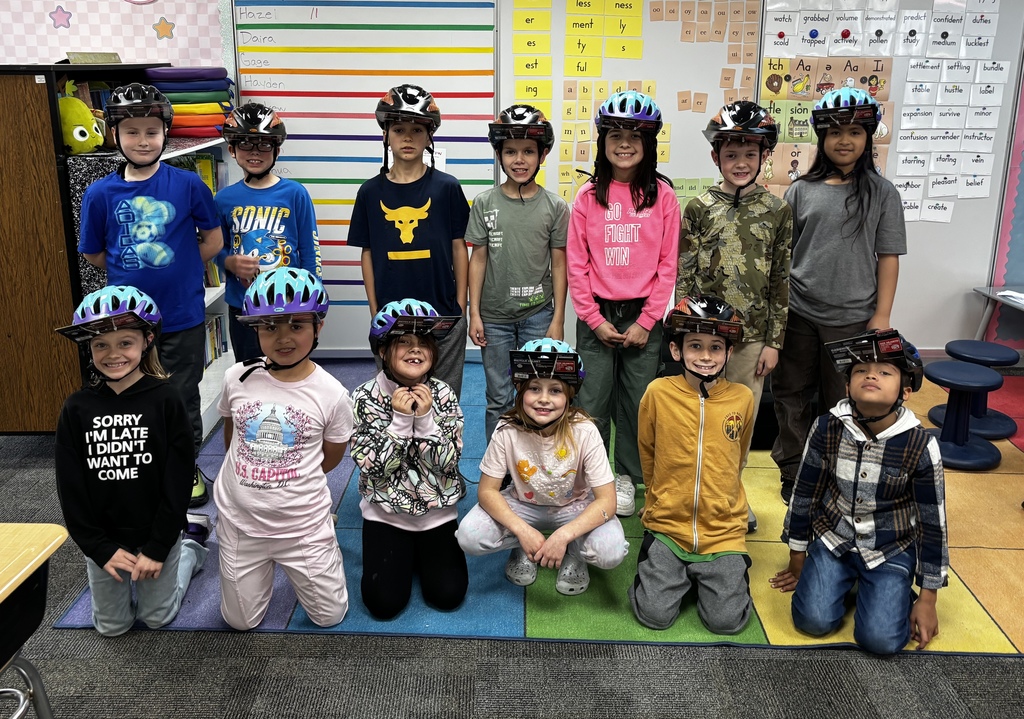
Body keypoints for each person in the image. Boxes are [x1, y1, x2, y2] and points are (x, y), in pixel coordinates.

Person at [79, 83, 224, 508]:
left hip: (182, 314)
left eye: (151, 131)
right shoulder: (99, 193)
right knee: (131, 392)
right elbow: (93, 252)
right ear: (115, 135)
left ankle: (185, 466)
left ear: (165, 133)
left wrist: (179, 265)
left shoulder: (188, 184)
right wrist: (130, 270)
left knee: (181, 395)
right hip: (127, 321)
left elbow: (212, 241)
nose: (143, 141)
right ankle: (145, 471)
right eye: (132, 132)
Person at [769, 330, 947, 654]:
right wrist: (797, 557)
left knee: (881, 641)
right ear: (848, 385)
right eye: (861, 370)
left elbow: (932, 523)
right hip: (834, 539)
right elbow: (805, 492)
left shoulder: (921, 445)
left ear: (905, 391)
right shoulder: (828, 426)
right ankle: (843, 580)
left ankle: (890, 590)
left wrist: (928, 596)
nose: (871, 375)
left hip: (889, 548)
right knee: (812, 621)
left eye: (885, 371)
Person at [771, 87, 906, 504]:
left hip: (853, 318)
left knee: (843, 398)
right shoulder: (800, 191)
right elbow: (784, 254)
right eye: (833, 132)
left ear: (868, 137)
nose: (843, 140)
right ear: (820, 138)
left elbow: (888, 257)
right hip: (799, 312)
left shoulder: (882, 193)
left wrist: (881, 314)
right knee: (790, 392)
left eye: (854, 132)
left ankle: (838, 468)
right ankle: (794, 469)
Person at [54, 286, 209, 636]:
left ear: (146, 340)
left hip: (157, 531)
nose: (113, 354)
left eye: (124, 342)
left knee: (158, 617)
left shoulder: (166, 399)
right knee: (112, 627)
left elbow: (179, 476)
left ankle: (189, 552)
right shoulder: (77, 408)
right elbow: (71, 487)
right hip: (106, 537)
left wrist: (158, 545)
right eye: (100, 345)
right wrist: (98, 547)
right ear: (89, 348)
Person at [214, 267, 354, 630]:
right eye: (270, 327)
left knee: (329, 617)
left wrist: (285, 478)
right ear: (255, 330)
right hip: (241, 522)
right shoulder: (237, 378)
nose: (283, 338)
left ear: (318, 326)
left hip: (301, 525)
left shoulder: (333, 394)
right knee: (239, 622)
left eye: (296, 325)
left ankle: (324, 533)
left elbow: (331, 457)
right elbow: (232, 436)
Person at [678, 101, 793, 532]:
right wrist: (685, 336)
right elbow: (684, 278)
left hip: (752, 341)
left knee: (737, 422)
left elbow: (781, 278)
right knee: (698, 417)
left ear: (765, 156)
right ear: (716, 157)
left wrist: (774, 341)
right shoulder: (699, 208)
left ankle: (729, 492)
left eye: (750, 154)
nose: (740, 163)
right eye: (731, 155)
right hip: (706, 338)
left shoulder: (778, 210)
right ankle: (695, 491)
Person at [567, 90, 680, 518]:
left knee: (636, 403)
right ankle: (588, 477)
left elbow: (668, 266)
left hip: (642, 316)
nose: (625, 142)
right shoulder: (587, 196)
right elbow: (577, 265)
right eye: (615, 134)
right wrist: (593, 320)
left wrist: (648, 321)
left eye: (636, 135)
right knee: (592, 402)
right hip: (596, 313)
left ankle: (627, 477)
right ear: (603, 141)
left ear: (649, 142)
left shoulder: (663, 196)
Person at [456, 339, 628, 595]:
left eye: (555, 391)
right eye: (534, 388)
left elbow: (607, 501)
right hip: (523, 505)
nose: (544, 399)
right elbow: (487, 491)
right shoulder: (506, 429)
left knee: (610, 551)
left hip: (574, 506)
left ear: (569, 394)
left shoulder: (585, 430)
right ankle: (523, 547)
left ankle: (574, 552)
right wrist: (522, 531)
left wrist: (564, 536)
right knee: (468, 536)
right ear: (520, 389)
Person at [629, 296, 754, 634]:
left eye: (716, 348)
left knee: (726, 622)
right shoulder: (657, 392)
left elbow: (739, 456)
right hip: (669, 526)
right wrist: (656, 500)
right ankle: (675, 575)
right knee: (653, 615)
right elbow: (648, 451)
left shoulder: (743, 398)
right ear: (675, 351)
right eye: (695, 345)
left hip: (722, 530)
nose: (705, 356)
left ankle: (713, 579)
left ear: (729, 353)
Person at [348, 84, 471, 399]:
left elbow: (460, 246)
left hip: (444, 313)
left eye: (417, 129)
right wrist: (375, 308)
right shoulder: (369, 192)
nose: (407, 137)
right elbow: (368, 253)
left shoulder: (447, 188)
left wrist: (460, 305)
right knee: (392, 401)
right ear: (386, 134)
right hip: (390, 316)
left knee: (444, 399)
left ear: (429, 136)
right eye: (399, 128)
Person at [351, 299, 468, 619]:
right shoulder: (364, 397)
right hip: (386, 514)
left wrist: (427, 420)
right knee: (383, 604)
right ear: (383, 351)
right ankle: (405, 550)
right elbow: (372, 469)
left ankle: (421, 551)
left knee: (448, 595)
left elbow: (449, 463)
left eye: (423, 342)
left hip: (437, 513)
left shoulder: (443, 394)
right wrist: (401, 424)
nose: (415, 349)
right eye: (403, 341)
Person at [467, 104, 569, 441]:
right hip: (494, 318)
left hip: (539, 315)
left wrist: (557, 320)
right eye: (510, 151)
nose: (519, 159)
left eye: (528, 151)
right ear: (499, 155)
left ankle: (535, 468)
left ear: (543, 153)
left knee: (537, 395)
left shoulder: (555, 207)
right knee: (498, 397)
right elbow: (478, 260)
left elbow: (558, 263)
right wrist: (475, 314)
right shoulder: (484, 203)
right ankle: (498, 473)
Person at [215, 102, 322, 363]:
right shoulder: (223, 199)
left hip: (290, 303)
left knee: (291, 370)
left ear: (276, 150)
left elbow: (310, 250)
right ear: (231, 149)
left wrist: (314, 300)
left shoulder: (295, 193)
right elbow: (216, 246)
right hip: (244, 304)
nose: (255, 152)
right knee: (249, 371)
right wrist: (229, 261)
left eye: (264, 144)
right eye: (245, 144)